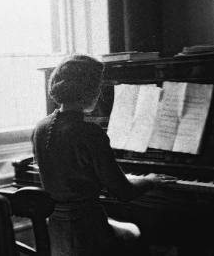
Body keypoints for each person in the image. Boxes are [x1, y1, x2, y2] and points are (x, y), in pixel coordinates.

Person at [31, 54, 176, 256]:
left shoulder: (41, 127)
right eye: (98, 86)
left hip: (58, 229)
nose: (100, 93)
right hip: (88, 230)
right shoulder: (89, 132)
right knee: (135, 232)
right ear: (88, 90)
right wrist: (151, 180)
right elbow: (124, 192)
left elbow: (75, 173)